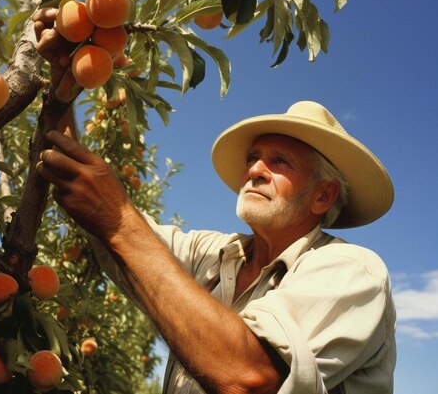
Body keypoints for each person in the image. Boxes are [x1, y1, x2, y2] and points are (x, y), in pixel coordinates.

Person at [36, 100, 396, 394]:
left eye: (279, 161)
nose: (255, 169)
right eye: (252, 158)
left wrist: (119, 220)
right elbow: (98, 209)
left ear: (322, 195)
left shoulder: (349, 270)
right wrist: (63, 93)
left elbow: (248, 377)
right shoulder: (211, 253)